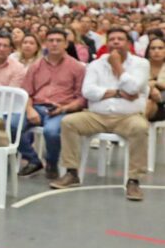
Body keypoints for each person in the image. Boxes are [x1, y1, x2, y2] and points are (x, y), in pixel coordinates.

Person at [50, 28, 150, 201]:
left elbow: (134, 88)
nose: (116, 42)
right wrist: (118, 93)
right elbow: (88, 91)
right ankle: (72, 172)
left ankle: (134, 180)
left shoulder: (141, 64)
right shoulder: (96, 64)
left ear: (128, 43)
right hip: (97, 116)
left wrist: (117, 67)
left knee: (140, 128)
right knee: (69, 122)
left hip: (128, 117)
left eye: (120, 39)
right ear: (107, 43)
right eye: (112, 39)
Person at [16, 27, 87, 179]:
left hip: (62, 109)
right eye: (51, 41)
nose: (54, 44)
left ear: (66, 44)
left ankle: (51, 162)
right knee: (10, 125)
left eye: (58, 41)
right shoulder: (36, 66)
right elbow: (26, 92)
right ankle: (33, 160)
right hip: (37, 107)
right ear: (45, 44)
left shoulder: (77, 67)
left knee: (51, 132)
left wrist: (65, 108)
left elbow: (82, 99)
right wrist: (29, 109)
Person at [146, 36, 165, 122]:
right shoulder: (141, 65)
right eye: (153, 48)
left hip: (163, 103)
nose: (156, 51)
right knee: (149, 103)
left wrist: (155, 83)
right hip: (145, 101)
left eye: (160, 48)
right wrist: (151, 89)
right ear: (148, 51)